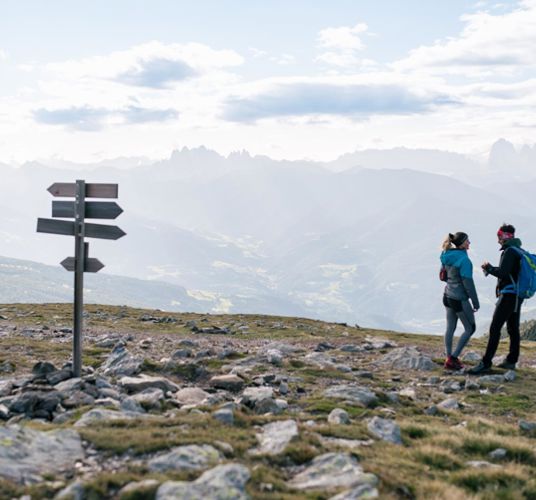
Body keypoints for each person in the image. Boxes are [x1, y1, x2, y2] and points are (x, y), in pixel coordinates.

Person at [468, 223, 523, 375]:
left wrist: (489, 268)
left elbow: (504, 273)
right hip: (517, 295)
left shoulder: (509, 252)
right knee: (513, 329)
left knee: (495, 328)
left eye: (499, 236)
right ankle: (511, 361)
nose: (498, 239)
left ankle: (486, 363)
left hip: (508, 295)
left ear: (505, 236)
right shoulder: (518, 250)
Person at [440, 232, 479, 370]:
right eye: (467, 241)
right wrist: (475, 302)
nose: (469, 243)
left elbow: (443, 277)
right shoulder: (464, 261)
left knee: (450, 327)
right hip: (458, 298)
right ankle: (453, 358)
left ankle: (448, 356)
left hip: (447, 295)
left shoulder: (445, 255)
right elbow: (468, 283)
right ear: (462, 243)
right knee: (470, 328)